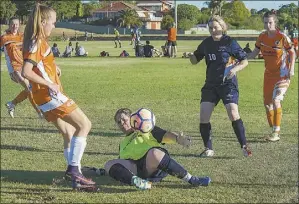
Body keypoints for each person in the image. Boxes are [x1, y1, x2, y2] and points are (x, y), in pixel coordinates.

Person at [21, 4, 96, 191]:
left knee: (68, 133)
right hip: (49, 95)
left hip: (41, 98)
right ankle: (74, 170)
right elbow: (26, 71)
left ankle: (75, 178)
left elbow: (39, 65)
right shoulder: (37, 41)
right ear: (43, 22)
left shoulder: (34, 40)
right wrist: (49, 83)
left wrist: (55, 69)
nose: (54, 26)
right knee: (85, 125)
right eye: (52, 23)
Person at [83, 108, 211, 190]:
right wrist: (101, 171)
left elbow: (165, 135)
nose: (122, 123)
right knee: (109, 163)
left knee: (154, 153)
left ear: (132, 118)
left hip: (152, 164)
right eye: (118, 122)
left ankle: (192, 179)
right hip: (137, 170)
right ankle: (137, 182)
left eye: (123, 119)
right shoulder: (122, 144)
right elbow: (122, 166)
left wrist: (178, 139)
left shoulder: (145, 128)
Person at [189, 15, 252, 157]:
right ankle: (208, 148)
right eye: (210, 27)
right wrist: (190, 56)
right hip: (210, 84)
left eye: (215, 27)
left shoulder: (230, 42)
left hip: (227, 83)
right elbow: (195, 60)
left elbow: (244, 61)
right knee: (204, 117)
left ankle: (244, 146)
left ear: (222, 27)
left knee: (233, 112)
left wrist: (234, 70)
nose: (212, 30)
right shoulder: (206, 43)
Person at [247, 10, 296, 142]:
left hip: (282, 75)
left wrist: (291, 69)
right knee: (267, 104)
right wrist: (243, 59)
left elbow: (292, 52)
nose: (268, 25)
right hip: (268, 75)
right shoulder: (262, 37)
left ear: (275, 23)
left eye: (270, 22)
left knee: (276, 100)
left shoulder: (282, 37)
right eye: (265, 23)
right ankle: (273, 129)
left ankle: (276, 132)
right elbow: (255, 52)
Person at [0, 17, 42, 118]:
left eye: (17, 24)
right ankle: (39, 113)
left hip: (25, 67)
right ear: (9, 25)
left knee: (30, 88)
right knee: (29, 88)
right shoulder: (4, 38)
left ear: (19, 25)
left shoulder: (23, 37)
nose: (15, 26)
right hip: (14, 69)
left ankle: (12, 104)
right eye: (13, 24)